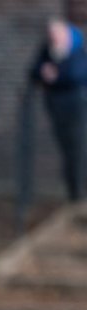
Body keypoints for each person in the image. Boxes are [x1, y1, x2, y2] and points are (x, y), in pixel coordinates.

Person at [30, 17, 87, 200]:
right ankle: (74, 194)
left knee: (77, 148)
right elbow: (33, 71)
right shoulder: (47, 50)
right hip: (55, 106)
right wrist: (43, 72)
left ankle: (78, 192)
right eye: (51, 35)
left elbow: (77, 74)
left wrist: (55, 74)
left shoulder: (77, 50)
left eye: (56, 34)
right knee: (67, 150)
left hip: (76, 106)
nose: (53, 38)